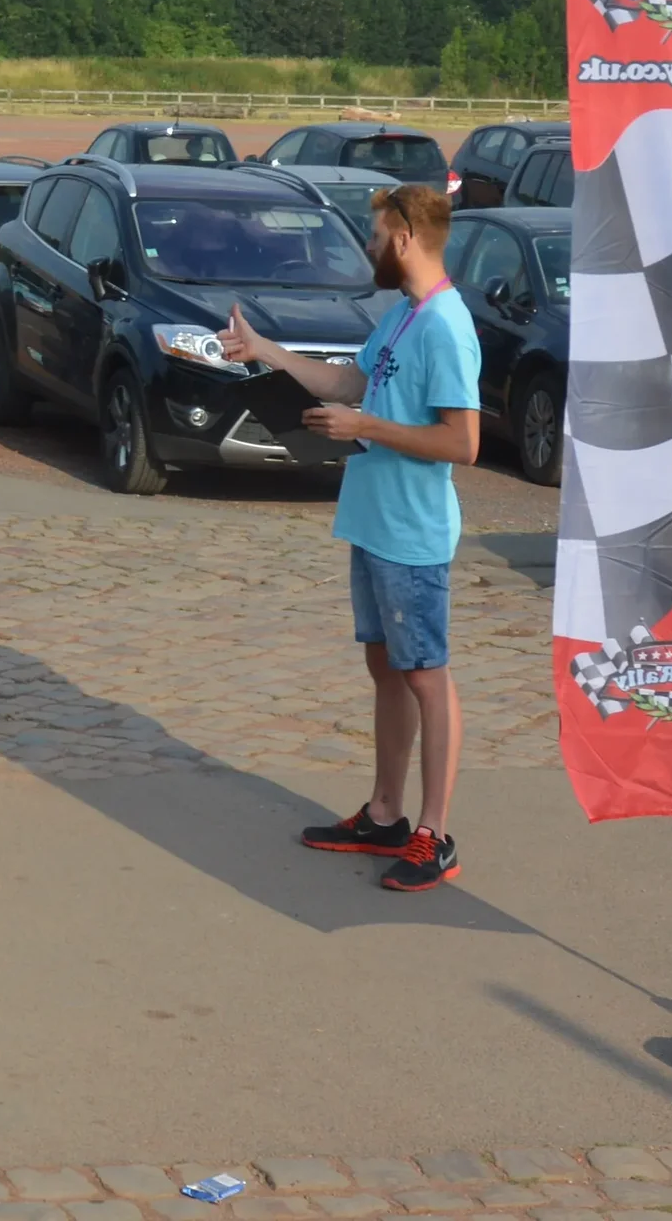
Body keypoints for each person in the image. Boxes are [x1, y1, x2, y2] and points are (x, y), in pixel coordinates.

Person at [217, 182, 479, 892]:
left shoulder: (446, 326)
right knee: (386, 671)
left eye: (373, 235)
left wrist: (366, 427)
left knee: (426, 675)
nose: (367, 247)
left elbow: (463, 442)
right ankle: (386, 814)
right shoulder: (401, 316)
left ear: (401, 238)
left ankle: (435, 832)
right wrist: (267, 351)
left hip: (413, 535)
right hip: (372, 522)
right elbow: (345, 382)